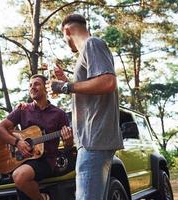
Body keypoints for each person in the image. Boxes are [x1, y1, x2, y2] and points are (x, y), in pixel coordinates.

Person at [46, 14, 124, 200]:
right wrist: (67, 81)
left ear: (67, 31)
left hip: (93, 139)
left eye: (64, 37)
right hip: (92, 139)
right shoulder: (86, 52)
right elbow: (92, 90)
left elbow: (107, 82)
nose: (66, 42)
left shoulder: (92, 44)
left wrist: (65, 87)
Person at [0, 74, 73, 200]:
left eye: (36, 84)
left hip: (46, 160)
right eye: (30, 85)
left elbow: (68, 145)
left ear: (46, 88)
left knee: (20, 176)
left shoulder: (59, 114)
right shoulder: (22, 110)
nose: (32, 87)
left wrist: (68, 139)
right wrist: (17, 142)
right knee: (20, 182)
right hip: (23, 159)